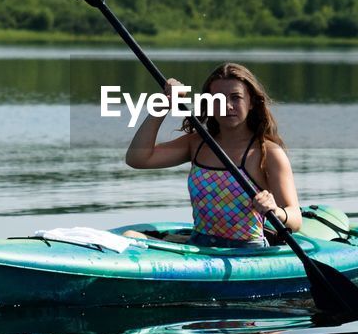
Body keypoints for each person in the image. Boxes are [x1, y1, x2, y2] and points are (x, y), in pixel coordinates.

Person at [125, 62, 300, 248]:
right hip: (199, 246)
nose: (227, 105)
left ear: (251, 103)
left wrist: (275, 211)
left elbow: (295, 220)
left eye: (236, 98)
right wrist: (163, 104)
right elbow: (137, 159)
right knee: (129, 236)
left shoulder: (269, 153)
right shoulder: (196, 143)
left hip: (247, 253)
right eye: (218, 99)